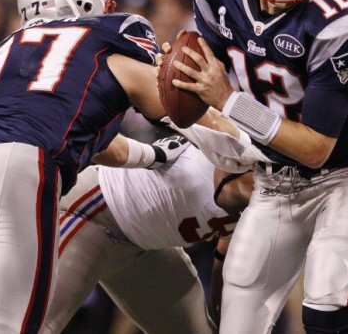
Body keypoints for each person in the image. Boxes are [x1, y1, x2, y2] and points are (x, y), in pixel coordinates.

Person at [171, 0, 348, 334]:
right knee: (237, 324)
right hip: (271, 180)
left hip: (343, 176)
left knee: (327, 310)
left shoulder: (342, 21)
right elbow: (203, 90)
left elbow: (315, 149)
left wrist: (229, 101)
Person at [0, 0, 195, 332]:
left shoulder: (8, 49)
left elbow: (89, 141)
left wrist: (153, 154)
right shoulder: (107, 34)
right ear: (82, 1)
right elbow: (166, 100)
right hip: (16, 175)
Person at [41, 135, 249, 334]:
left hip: (150, 246)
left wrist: (226, 320)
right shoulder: (241, 145)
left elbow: (226, 259)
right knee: (29, 324)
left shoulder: (268, 203)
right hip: (94, 212)